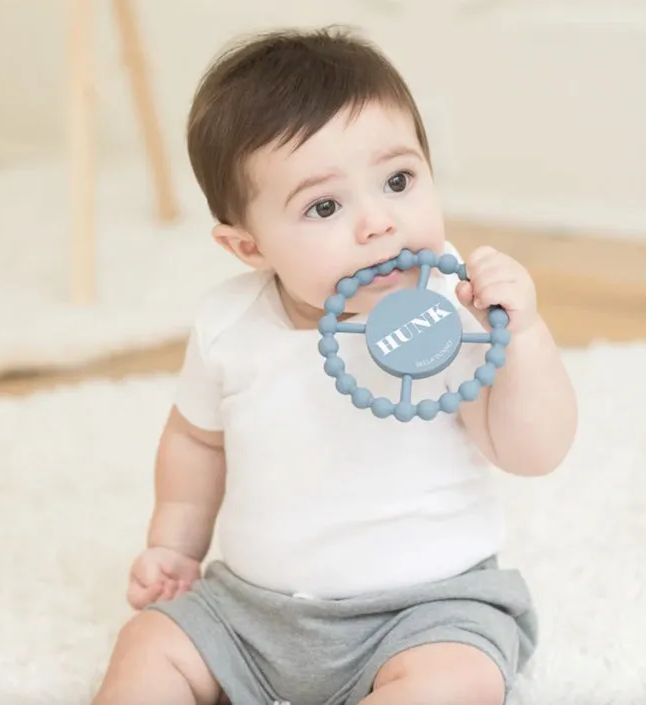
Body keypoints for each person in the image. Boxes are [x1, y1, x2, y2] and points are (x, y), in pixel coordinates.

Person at [91, 26, 577, 705]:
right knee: (147, 646)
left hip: (427, 609)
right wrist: (173, 544)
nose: (377, 221)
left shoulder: (451, 310)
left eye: (398, 180)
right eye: (323, 205)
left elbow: (530, 450)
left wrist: (523, 335)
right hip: (251, 609)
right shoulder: (227, 325)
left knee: (458, 679)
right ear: (247, 246)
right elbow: (195, 439)